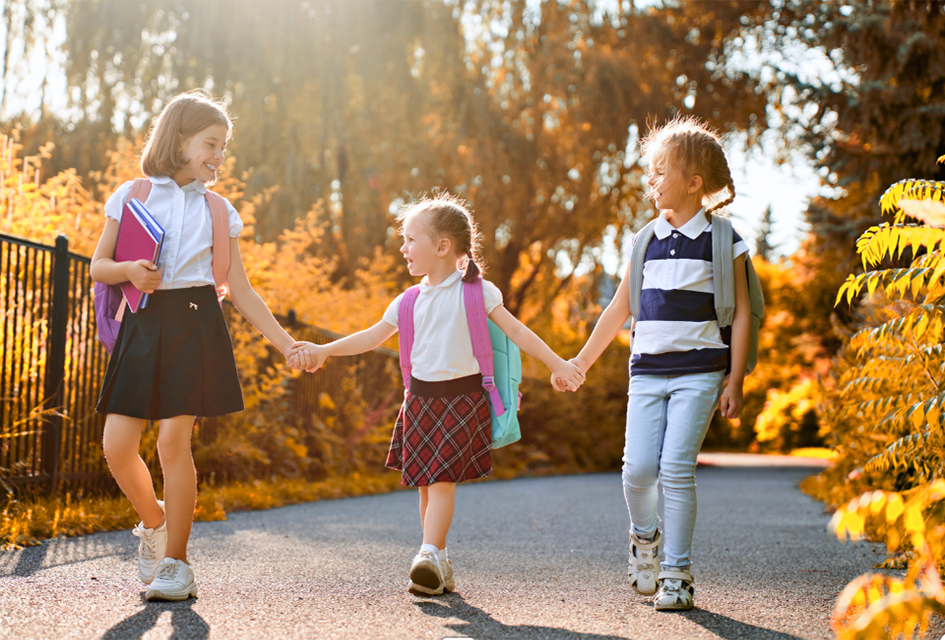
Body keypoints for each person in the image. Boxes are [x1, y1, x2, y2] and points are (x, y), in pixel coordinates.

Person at [294, 193, 585, 596]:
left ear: (443, 247)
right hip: (419, 401)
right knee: (426, 486)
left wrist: (558, 363)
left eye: (412, 239)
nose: (403, 247)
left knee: (442, 480)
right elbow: (369, 337)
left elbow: (518, 332)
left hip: (462, 401)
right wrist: (324, 350)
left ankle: (428, 553)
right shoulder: (408, 300)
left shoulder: (477, 292)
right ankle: (439, 562)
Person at [90, 91, 310, 601]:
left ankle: (177, 564)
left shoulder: (220, 210)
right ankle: (156, 523)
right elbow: (100, 265)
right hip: (143, 325)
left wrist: (285, 343)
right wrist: (128, 272)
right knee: (117, 447)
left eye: (223, 147)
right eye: (211, 143)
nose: (219, 156)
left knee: (173, 442)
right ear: (179, 139)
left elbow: (241, 288)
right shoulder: (132, 195)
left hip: (194, 322)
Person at [562, 115, 750, 611]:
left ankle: (677, 573)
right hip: (646, 371)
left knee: (674, 468)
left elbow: (747, 312)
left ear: (694, 182)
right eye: (652, 170)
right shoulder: (643, 240)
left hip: (702, 370)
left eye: (662, 170)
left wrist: (737, 378)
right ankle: (644, 540)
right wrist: (580, 361)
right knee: (638, 469)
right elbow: (620, 307)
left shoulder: (723, 239)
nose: (652, 180)